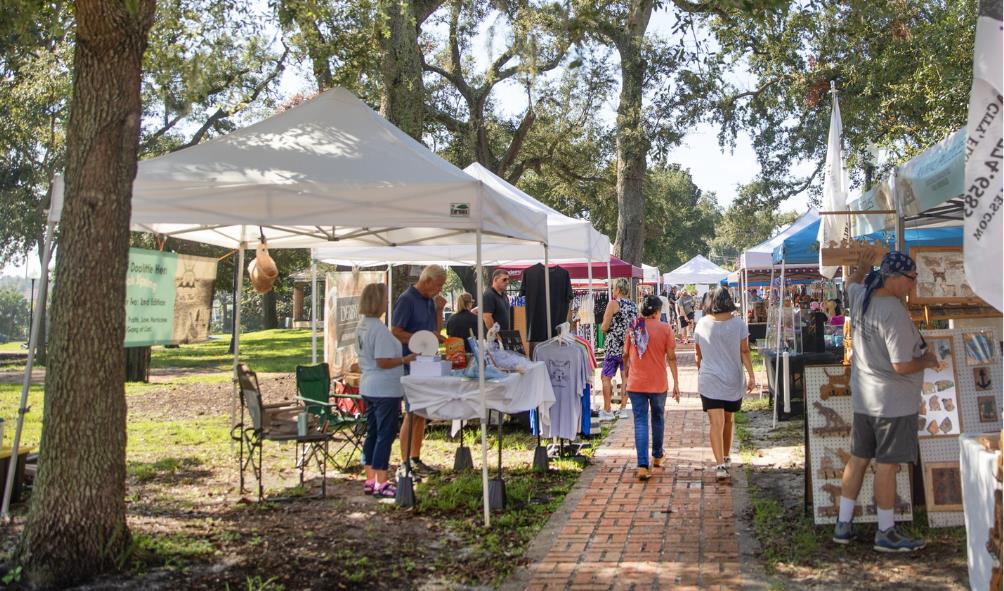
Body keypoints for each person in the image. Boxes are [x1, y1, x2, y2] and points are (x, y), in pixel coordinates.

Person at [833, 251, 937, 553]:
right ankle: (886, 531)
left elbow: (850, 282)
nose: (912, 285)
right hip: (892, 402)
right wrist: (928, 360)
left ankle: (843, 525)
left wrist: (862, 268)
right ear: (894, 277)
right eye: (911, 279)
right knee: (887, 466)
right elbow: (902, 365)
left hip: (866, 399)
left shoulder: (861, 295)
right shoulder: (892, 310)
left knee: (859, 458)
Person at [356, 283, 417, 498]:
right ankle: (381, 480)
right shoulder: (378, 330)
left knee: (373, 432)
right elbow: (382, 361)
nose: (386, 303)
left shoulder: (363, 325)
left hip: (369, 386)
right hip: (384, 388)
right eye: (384, 300)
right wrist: (405, 358)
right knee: (384, 434)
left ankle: (370, 477)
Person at [694, 287, 755, 480]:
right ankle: (725, 458)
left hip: (710, 379)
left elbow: (698, 355)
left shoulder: (702, 324)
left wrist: (702, 371)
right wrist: (752, 375)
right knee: (728, 419)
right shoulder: (738, 324)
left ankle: (721, 464)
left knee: (716, 423)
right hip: (732, 379)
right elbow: (744, 351)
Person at [392, 264, 448, 476]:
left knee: (422, 411)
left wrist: (440, 310)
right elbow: (396, 331)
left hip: (427, 363)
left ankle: (415, 457)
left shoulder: (428, 300)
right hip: (410, 363)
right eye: (438, 285)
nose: (440, 289)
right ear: (426, 281)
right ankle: (404, 461)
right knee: (411, 410)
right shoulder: (407, 300)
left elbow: (435, 330)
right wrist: (419, 340)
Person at [623, 295, 680, 481]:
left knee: (640, 421)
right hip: (658, 383)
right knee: (657, 418)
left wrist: (626, 375)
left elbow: (625, 354)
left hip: (636, 382)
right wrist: (676, 382)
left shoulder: (634, 326)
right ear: (657, 311)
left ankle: (642, 466)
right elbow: (671, 357)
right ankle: (657, 456)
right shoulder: (665, 328)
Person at [600, 278, 638, 421]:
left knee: (606, 377)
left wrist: (608, 328)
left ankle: (607, 410)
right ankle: (623, 409)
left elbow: (604, 326)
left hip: (613, 347)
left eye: (613, 288)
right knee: (625, 377)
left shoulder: (613, 303)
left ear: (617, 290)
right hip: (629, 347)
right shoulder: (634, 306)